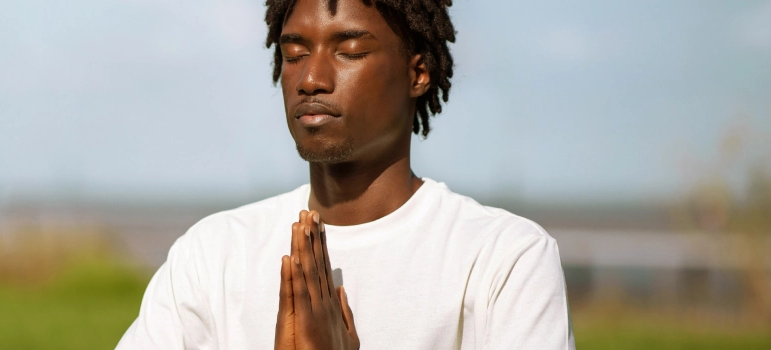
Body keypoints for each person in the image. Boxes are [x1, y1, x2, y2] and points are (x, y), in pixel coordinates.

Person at [116, 0, 573, 349]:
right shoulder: (212, 255)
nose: (311, 79)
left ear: (418, 73)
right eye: (294, 54)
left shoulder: (504, 258)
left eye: (349, 51)